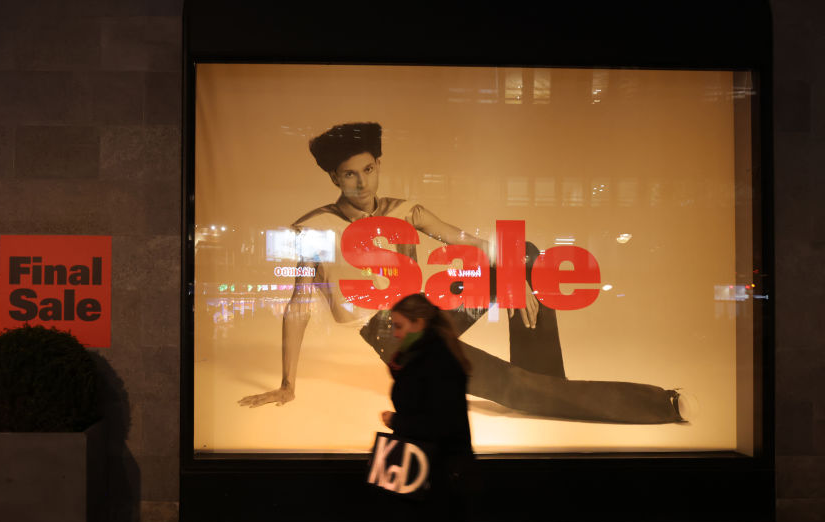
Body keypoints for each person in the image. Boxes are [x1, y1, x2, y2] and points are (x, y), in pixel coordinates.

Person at [238, 121, 687, 424]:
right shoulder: (317, 227)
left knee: (523, 252)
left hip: (431, 312)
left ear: (379, 165)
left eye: (369, 170)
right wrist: (286, 384)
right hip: (393, 333)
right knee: (513, 389)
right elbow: (298, 307)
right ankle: (661, 404)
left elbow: (470, 243)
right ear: (335, 179)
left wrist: (519, 274)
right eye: (349, 175)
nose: (362, 183)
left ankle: (546, 378)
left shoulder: (405, 210)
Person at [352, 292, 527, 522]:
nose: (395, 333)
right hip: (422, 471)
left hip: (439, 476)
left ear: (419, 323)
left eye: (399, 326)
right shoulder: (422, 356)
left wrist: (396, 420)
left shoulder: (438, 361)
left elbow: (443, 424)